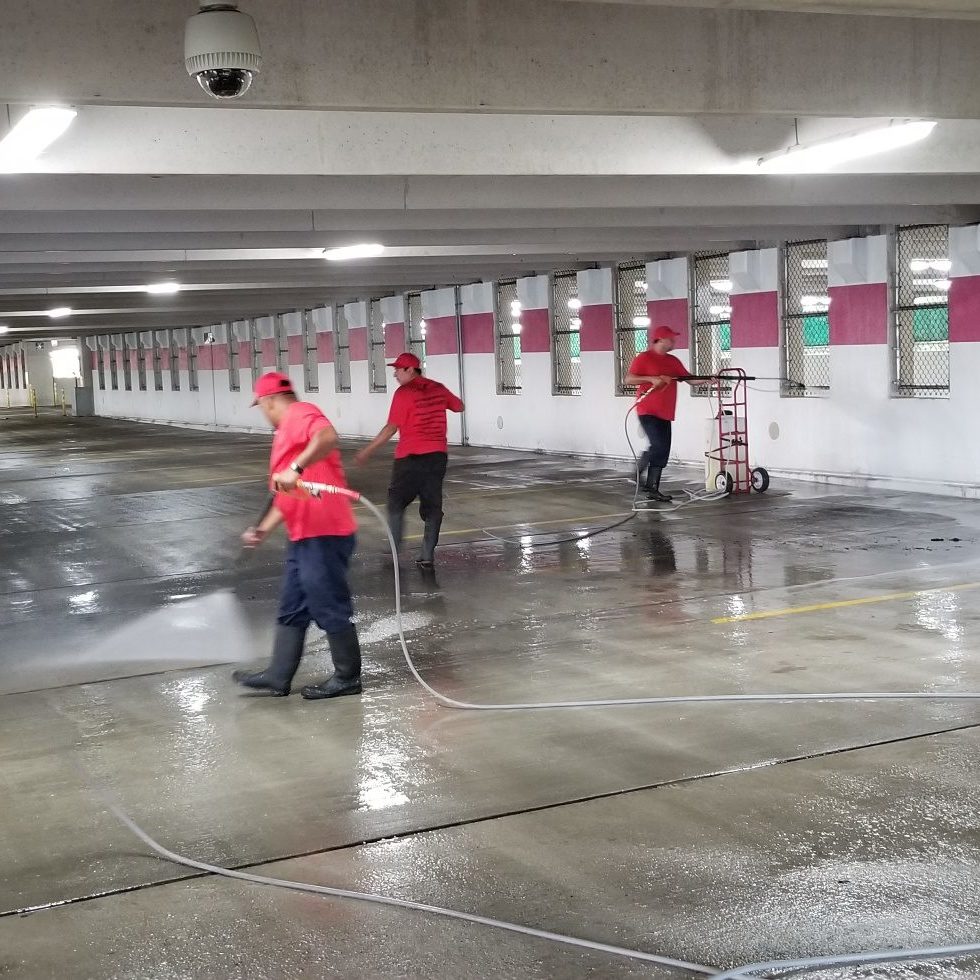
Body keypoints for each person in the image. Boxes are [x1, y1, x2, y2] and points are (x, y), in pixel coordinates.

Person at [232, 371, 362, 700]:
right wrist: (263, 530)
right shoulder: (282, 435)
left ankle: (348, 677)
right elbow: (286, 496)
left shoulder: (300, 413)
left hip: (325, 532)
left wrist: (297, 468)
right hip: (302, 534)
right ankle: (278, 676)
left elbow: (328, 437)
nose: (262, 413)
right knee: (291, 605)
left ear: (269, 400)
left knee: (327, 602)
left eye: (260, 406)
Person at [354, 352, 464, 568]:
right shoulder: (438, 388)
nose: (395, 373)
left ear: (410, 370)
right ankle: (427, 555)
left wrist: (368, 450)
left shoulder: (403, 393)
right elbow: (459, 406)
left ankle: (394, 548)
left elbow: (391, 428)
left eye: (398, 369)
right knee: (433, 506)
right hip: (437, 457)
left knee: (396, 502)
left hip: (410, 458)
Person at [624, 325, 690, 502]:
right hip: (647, 410)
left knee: (662, 451)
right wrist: (651, 378)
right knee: (658, 445)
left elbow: (689, 378)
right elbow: (628, 379)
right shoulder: (644, 358)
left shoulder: (673, 361)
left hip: (665, 413)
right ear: (661, 339)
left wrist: (709, 380)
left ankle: (652, 488)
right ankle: (638, 470)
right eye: (671, 339)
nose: (674, 342)